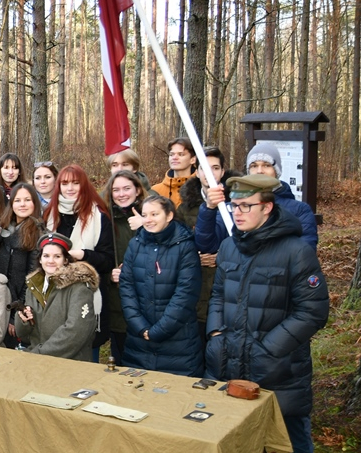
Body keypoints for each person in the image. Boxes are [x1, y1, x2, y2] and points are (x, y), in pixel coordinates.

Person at [205, 175, 328, 453]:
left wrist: (268, 349)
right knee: (230, 433)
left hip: (280, 366)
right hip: (229, 361)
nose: (237, 213)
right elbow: (217, 298)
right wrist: (215, 334)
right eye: (234, 206)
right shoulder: (230, 247)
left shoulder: (296, 251)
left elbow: (313, 312)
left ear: (267, 208)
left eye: (246, 206)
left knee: (289, 438)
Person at [118, 195, 203, 377]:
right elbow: (127, 287)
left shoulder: (185, 246)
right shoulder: (135, 244)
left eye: (154, 214)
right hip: (138, 341)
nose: (148, 220)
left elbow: (186, 293)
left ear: (169, 216)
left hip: (178, 341)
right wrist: (140, 327)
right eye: (145, 215)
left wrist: (158, 331)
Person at [196, 141, 319, 253]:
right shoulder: (231, 209)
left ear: (277, 170)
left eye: (266, 165)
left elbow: (305, 253)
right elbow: (207, 245)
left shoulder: (299, 210)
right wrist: (209, 209)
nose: (259, 171)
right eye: (254, 166)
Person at [43, 164, 115, 346]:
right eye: (65, 183)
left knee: (86, 353)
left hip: (87, 295)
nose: (70, 188)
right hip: (53, 295)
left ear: (84, 185)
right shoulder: (50, 214)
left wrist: (83, 255)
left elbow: (108, 260)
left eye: (75, 183)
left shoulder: (98, 216)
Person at [175, 146, 236, 346]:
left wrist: (220, 256)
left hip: (229, 283)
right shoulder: (185, 208)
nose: (210, 173)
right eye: (205, 168)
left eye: (215, 168)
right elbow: (178, 244)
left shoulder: (239, 202)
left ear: (223, 172)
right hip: (198, 285)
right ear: (197, 171)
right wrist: (195, 257)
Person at [15, 233, 98, 360]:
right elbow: (25, 336)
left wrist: (38, 353)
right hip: (39, 364)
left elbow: (75, 332)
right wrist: (24, 322)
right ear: (40, 259)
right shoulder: (33, 287)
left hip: (71, 365)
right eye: (46, 256)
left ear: (65, 260)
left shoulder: (79, 288)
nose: (51, 261)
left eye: (57, 256)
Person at [0, 183, 42, 347]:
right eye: (18, 200)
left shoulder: (37, 233)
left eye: (27, 200)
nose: (22, 204)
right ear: (11, 203)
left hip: (15, 305)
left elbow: (33, 278)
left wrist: (15, 313)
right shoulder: (3, 226)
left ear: (34, 203)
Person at [102, 170, 148, 365]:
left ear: (137, 190)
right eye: (116, 190)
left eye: (127, 188)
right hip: (117, 303)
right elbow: (99, 258)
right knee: (120, 359)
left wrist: (146, 224)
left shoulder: (152, 218)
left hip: (148, 303)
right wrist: (109, 275)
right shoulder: (106, 220)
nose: (121, 194)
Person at [152, 137, 197, 208]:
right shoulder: (155, 191)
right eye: (171, 154)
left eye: (181, 154)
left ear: (193, 159)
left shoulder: (201, 188)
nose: (175, 158)